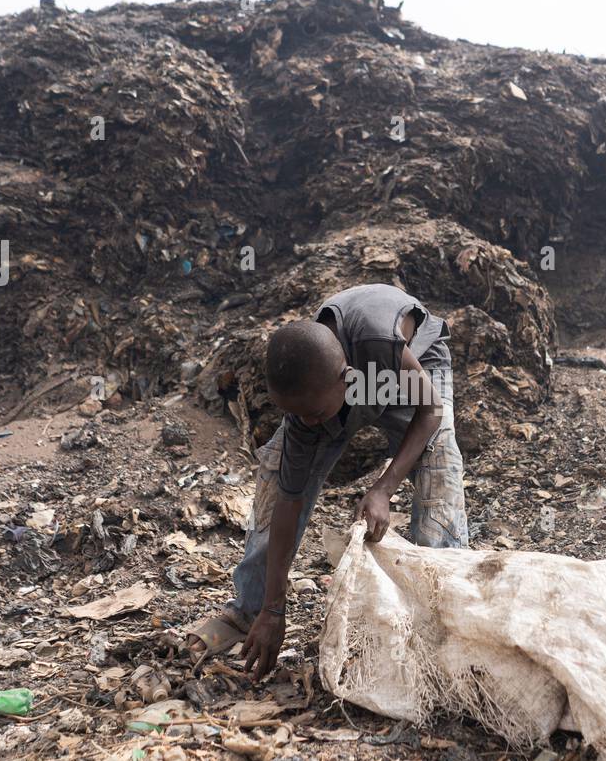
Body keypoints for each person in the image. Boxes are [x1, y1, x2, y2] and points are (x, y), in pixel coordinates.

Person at [185, 283, 469, 679]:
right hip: (336, 385)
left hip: (409, 374)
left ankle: (444, 624)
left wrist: (383, 489)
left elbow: (430, 411)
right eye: (296, 415)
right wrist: (274, 609)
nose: (308, 424)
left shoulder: (377, 347)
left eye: (315, 415)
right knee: (274, 477)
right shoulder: (308, 402)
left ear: (346, 380)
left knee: (439, 473)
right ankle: (248, 612)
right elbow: (289, 501)